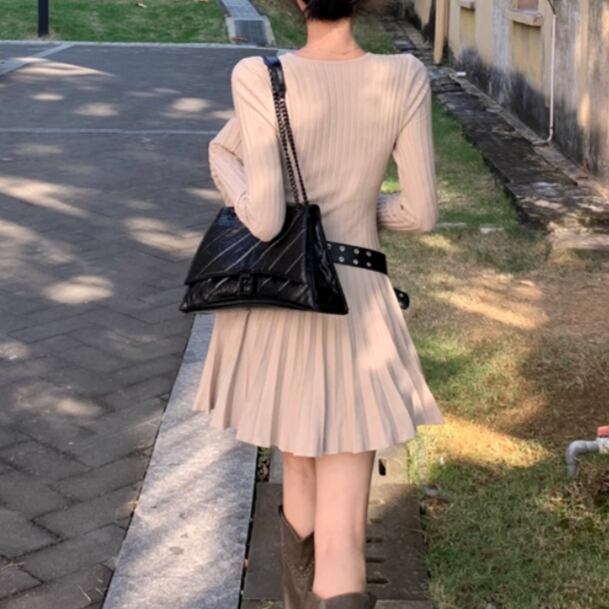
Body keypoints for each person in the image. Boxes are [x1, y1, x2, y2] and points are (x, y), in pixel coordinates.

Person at [191, 0, 445, 606]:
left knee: (298, 473)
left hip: (284, 301)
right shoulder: (404, 75)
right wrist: (354, 214)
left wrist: (247, 190)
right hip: (358, 307)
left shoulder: (261, 76)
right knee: (343, 538)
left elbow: (264, 216)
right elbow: (420, 212)